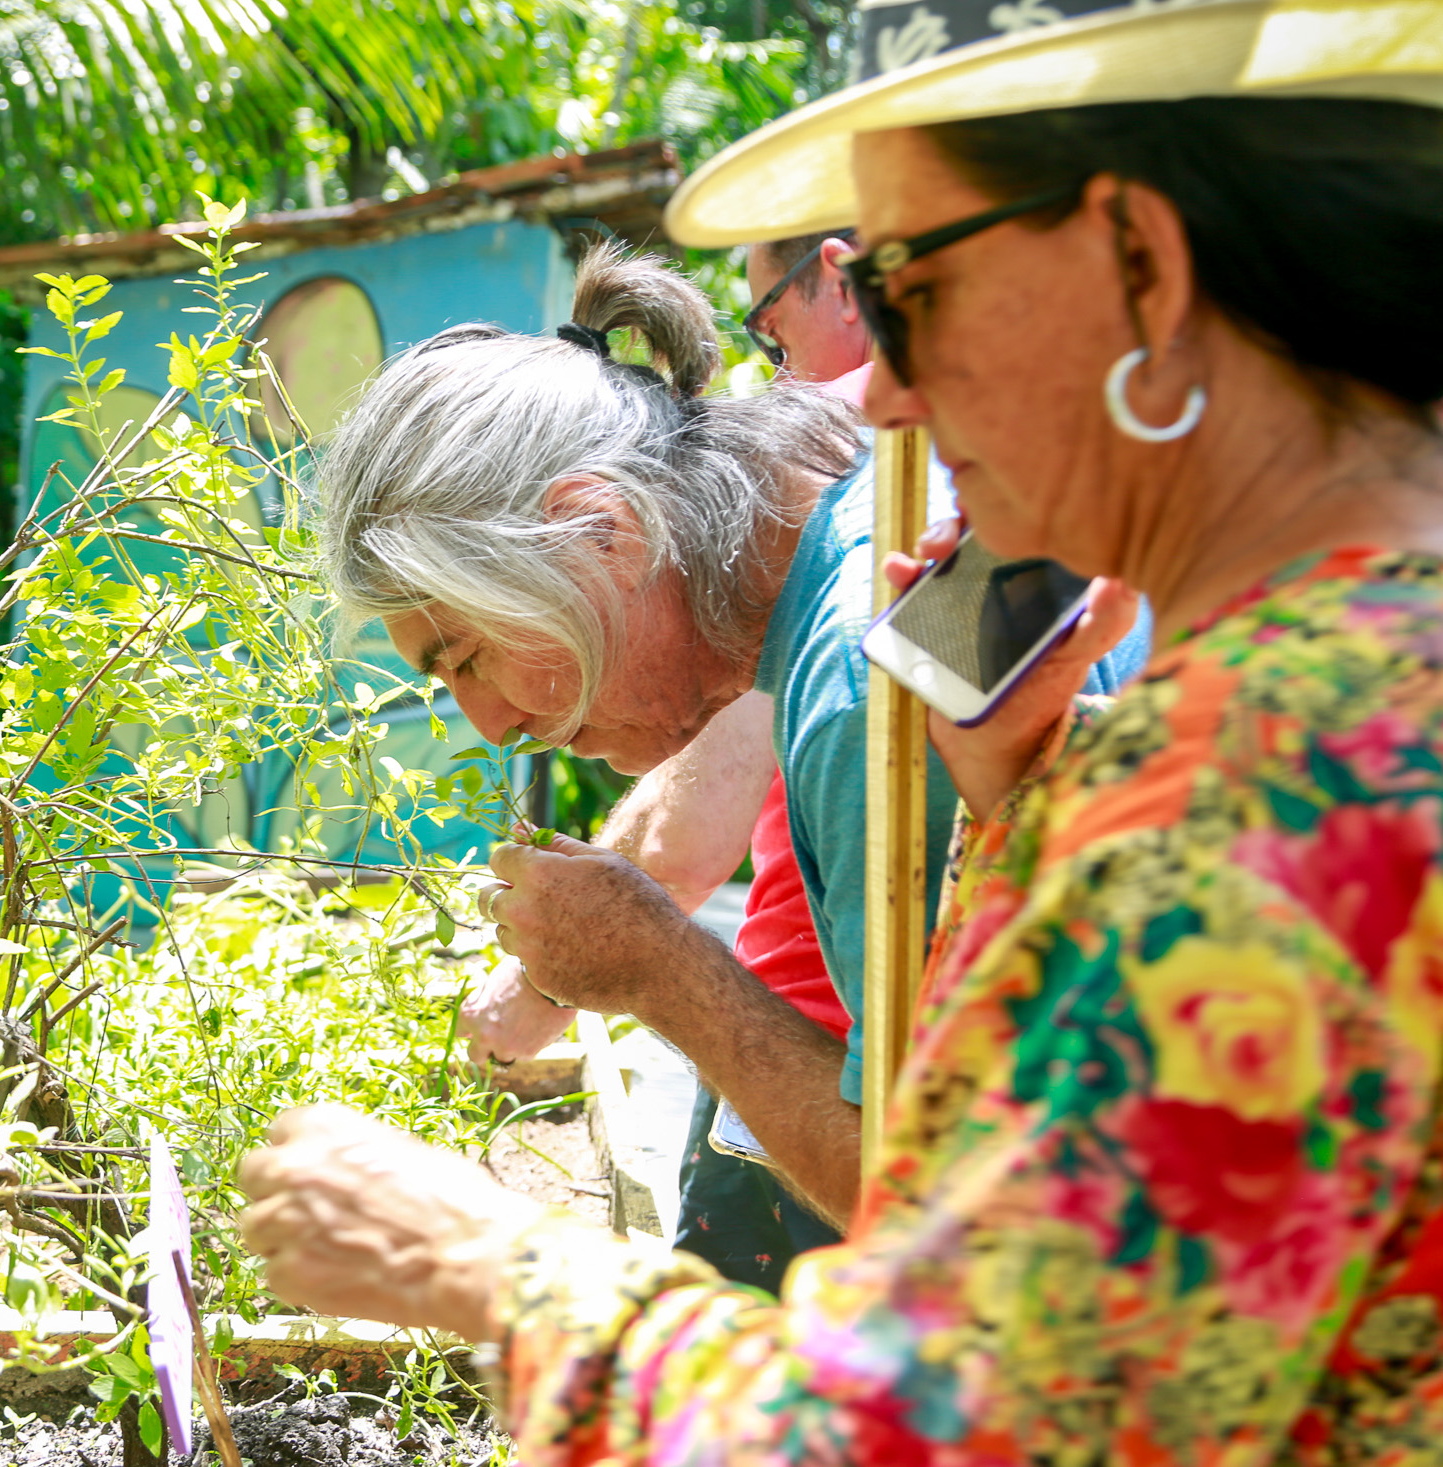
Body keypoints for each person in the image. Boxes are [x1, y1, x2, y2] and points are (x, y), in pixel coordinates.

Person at [239, 2, 1443, 1459]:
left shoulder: (1276, 786)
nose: (878, 388)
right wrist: (1016, 814)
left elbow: (942, 1423)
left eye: (911, 292)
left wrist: (484, 1264)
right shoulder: (1307, 677)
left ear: (1142, 261)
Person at [320, 245, 1145, 1229]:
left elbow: (952, 1220)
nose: (493, 724)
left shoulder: (865, 697)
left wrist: (661, 972)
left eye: (465, 658)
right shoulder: (885, 506)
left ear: (600, 529)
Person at [462, 225, 878, 1285]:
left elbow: (949, 1211)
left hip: (819, 1057)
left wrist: (634, 966)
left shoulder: (835, 599)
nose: (495, 721)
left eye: (770, 333)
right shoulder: (862, 522)